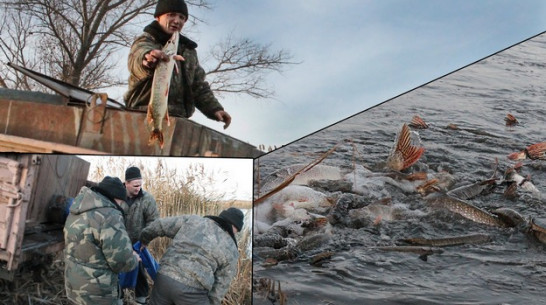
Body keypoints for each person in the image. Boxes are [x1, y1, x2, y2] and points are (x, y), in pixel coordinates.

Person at [124, 0, 231, 129]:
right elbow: (138, 56)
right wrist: (147, 58)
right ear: (158, 16)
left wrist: (214, 109)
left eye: (182, 17)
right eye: (171, 14)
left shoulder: (189, 52)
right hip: (141, 113)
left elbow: (198, 86)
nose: (177, 20)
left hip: (177, 119)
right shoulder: (146, 40)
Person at [140, 207, 245, 305]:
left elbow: (159, 225)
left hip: (163, 279)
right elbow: (221, 285)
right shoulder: (231, 249)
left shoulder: (193, 220)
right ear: (234, 227)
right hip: (192, 291)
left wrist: (144, 240)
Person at [64, 176, 139, 305]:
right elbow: (121, 261)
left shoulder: (77, 209)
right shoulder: (110, 216)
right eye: (122, 201)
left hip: (73, 287)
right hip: (97, 295)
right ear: (116, 198)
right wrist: (134, 258)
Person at [122, 166, 160, 304]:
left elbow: (154, 222)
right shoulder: (117, 196)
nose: (138, 188)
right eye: (135, 185)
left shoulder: (147, 199)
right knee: (117, 270)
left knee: (140, 270)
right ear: (126, 183)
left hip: (139, 243)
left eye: (140, 185)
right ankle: (118, 298)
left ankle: (141, 299)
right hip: (119, 243)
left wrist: (145, 239)